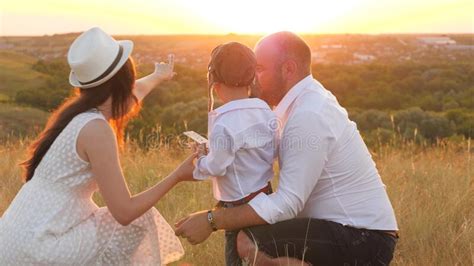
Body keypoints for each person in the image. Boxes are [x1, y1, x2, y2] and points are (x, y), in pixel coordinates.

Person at [175, 32, 399, 265]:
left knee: (248, 242)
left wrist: (212, 220)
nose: (253, 79)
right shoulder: (300, 103)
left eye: (259, 70)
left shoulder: (308, 114)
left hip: (362, 238)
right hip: (350, 230)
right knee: (253, 234)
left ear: (288, 69)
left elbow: (288, 203)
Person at [0, 27, 194, 265]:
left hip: (11, 241)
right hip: (38, 250)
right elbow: (124, 212)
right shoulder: (96, 129)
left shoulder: (75, 115)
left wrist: (158, 75)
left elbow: (132, 95)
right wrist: (178, 175)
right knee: (140, 219)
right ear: (121, 83)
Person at [186, 42, 277, 265]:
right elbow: (268, 150)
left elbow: (217, 167)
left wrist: (200, 160)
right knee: (265, 249)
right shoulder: (265, 110)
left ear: (215, 85)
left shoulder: (224, 123)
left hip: (238, 207)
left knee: (235, 257)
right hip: (266, 197)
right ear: (252, 78)